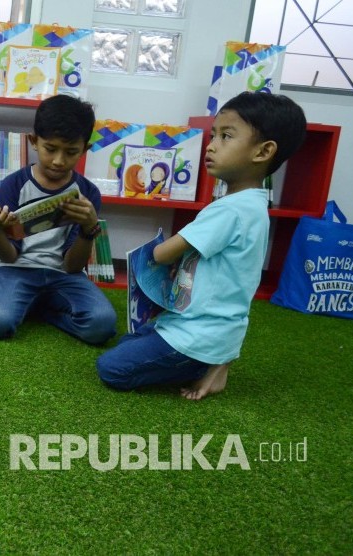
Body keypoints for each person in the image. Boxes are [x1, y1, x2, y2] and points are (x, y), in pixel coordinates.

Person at [97, 91, 307, 400]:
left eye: (226, 136)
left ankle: (203, 365)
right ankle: (212, 359)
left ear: (263, 152)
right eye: (213, 135)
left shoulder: (229, 210)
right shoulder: (252, 205)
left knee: (111, 367)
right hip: (204, 325)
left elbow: (162, 253)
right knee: (129, 343)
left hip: (199, 334)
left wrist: (155, 254)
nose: (211, 145)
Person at [0, 94, 117, 345]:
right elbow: (9, 256)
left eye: (71, 152)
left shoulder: (88, 194)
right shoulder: (14, 184)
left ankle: (37, 309)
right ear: (33, 141)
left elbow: (72, 266)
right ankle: (20, 302)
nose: (59, 161)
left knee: (101, 325)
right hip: (16, 270)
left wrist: (88, 229)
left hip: (64, 276)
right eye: (51, 149)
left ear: (85, 149)